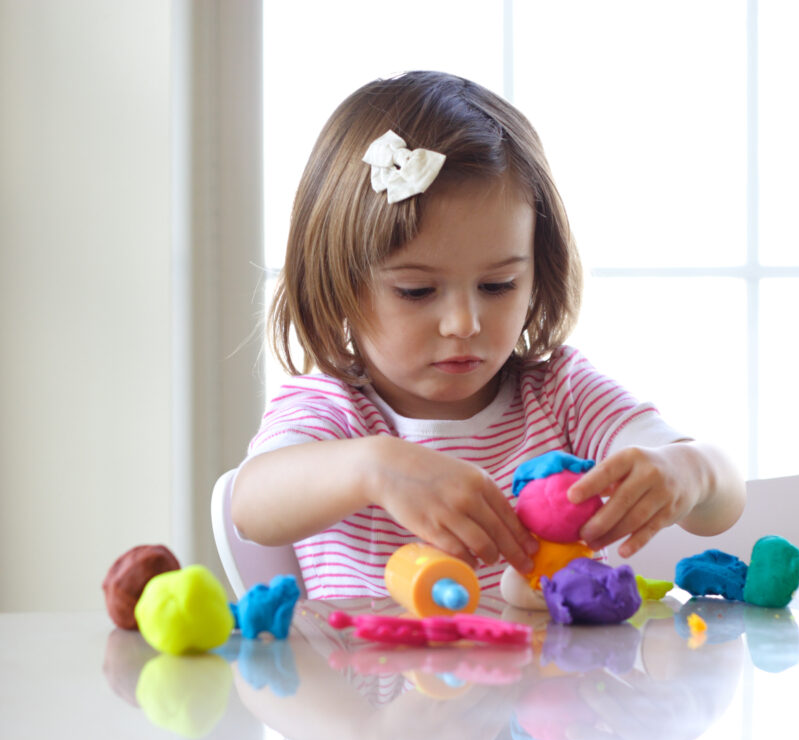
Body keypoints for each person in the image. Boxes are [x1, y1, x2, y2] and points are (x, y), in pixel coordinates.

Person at [232, 71, 746, 600]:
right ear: (337, 283)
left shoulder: (561, 396)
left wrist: (687, 471)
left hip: (555, 678)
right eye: (416, 290)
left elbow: (722, 501)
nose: (464, 323)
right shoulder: (333, 413)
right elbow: (249, 506)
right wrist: (375, 467)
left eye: (498, 285)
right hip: (380, 680)